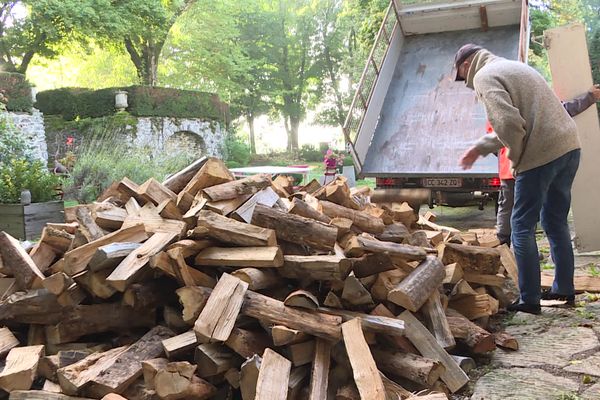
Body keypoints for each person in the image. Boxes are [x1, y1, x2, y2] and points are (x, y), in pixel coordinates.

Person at [454, 44, 581, 314]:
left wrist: (514, 159)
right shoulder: (514, 67)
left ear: (466, 65)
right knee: (555, 222)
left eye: (461, 77)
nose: (466, 84)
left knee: (521, 226)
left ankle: (530, 299)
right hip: (569, 147)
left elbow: (510, 125)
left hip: (541, 153)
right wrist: (479, 148)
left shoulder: (484, 76)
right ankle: (563, 290)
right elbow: (514, 122)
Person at [495, 84, 600, 246]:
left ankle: (507, 247)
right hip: (525, 166)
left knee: (512, 210)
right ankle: (513, 248)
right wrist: (589, 98)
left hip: (511, 167)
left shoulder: (500, 106)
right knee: (525, 215)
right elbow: (564, 110)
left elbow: (494, 140)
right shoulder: (530, 102)